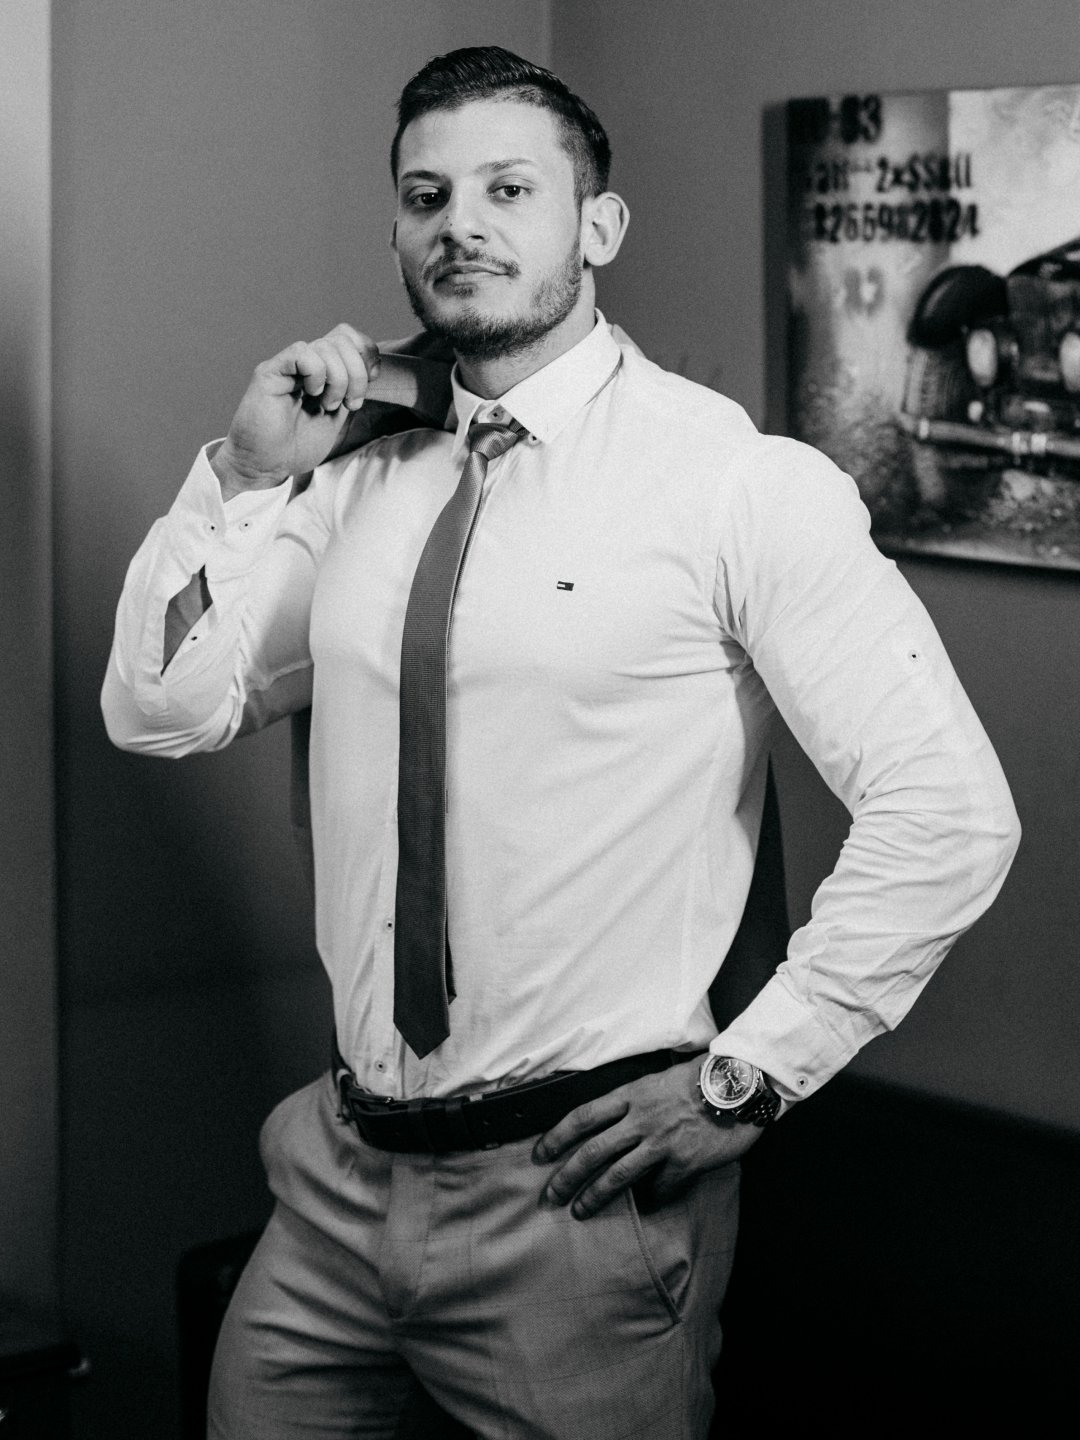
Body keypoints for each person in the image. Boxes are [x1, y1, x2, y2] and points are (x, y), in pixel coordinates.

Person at [102, 45, 1020, 1440]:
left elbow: (948, 812)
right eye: (427, 196)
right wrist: (237, 475)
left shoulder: (735, 485)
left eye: (508, 189)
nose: (460, 224)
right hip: (338, 1177)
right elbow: (164, 708)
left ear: (599, 226)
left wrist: (750, 1078)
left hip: (578, 1199)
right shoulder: (355, 479)